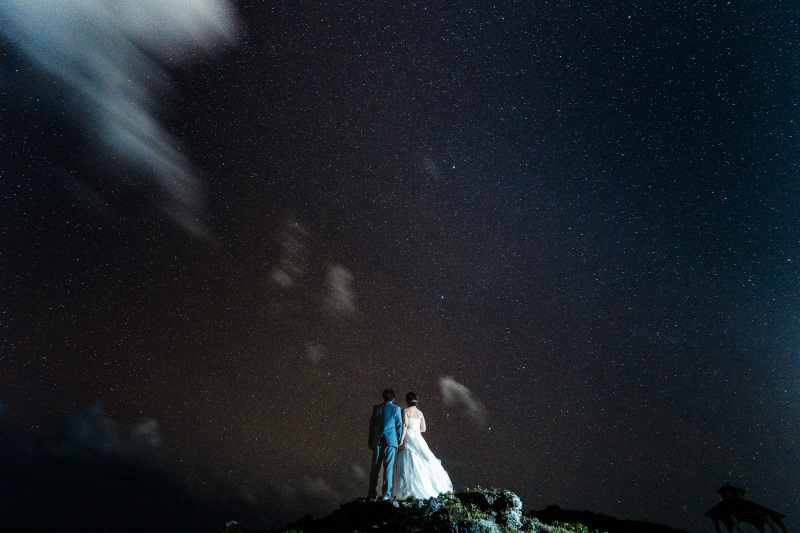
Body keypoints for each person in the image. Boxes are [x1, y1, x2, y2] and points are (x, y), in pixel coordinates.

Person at [393, 391, 453, 500]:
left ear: (407, 400)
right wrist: (415, 431)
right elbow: (423, 429)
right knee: (421, 461)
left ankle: (409, 490)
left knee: (408, 461)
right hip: (418, 438)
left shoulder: (405, 411)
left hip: (408, 438)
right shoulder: (420, 413)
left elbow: (405, 425)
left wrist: (401, 440)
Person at [367, 388, 403, 500]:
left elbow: (371, 426)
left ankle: (372, 493)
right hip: (390, 442)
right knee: (388, 468)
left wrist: (371, 440)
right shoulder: (396, 408)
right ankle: (386, 494)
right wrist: (398, 441)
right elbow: (399, 426)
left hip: (377, 441)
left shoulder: (377, 408)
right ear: (393, 398)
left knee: (375, 467)